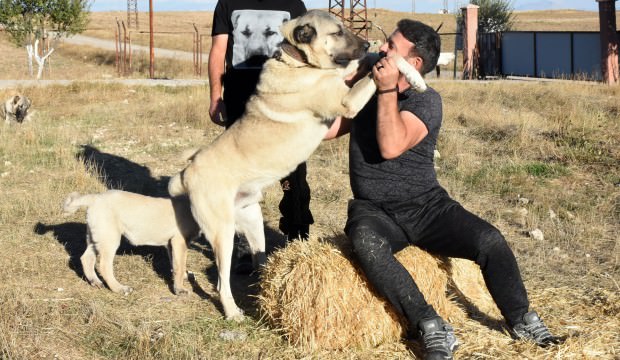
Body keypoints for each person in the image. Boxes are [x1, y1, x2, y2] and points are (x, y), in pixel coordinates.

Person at [324, 19, 561, 360]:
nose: (382, 48)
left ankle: (523, 319)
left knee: (490, 241)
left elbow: (391, 145)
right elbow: (331, 129)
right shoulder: (368, 87)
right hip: (374, 209)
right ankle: (431, 326)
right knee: (365, 241)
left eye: (391, 46)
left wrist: (387, 90)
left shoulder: (427, 101)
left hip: (425, 206)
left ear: (413, 63)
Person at [208, 0, 314, 270]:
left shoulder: (293, 4)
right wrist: (215, 97)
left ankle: (297, 236)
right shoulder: (227, 3)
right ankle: (245, 246)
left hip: (284, 101)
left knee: (293, 173)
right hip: (239, 102)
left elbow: (306, 52)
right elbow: (218, 51)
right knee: (239, 174)